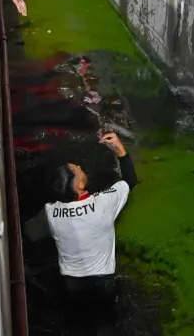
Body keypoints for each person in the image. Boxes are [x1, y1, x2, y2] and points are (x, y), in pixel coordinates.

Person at [24, 132, 137, 331]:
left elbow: (29, 234)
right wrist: (120, 149)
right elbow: (129, 180)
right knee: (107, 322)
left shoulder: (50, 213)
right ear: (80, 185)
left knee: (78, 324)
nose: (79, 167)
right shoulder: (103, 203)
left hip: (72, 284)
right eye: (77, 169)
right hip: (104, 282)